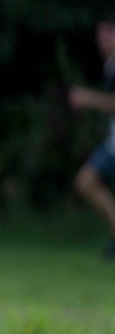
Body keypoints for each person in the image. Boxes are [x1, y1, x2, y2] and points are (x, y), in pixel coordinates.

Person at [67, 18, 115, 257]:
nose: (103, 39)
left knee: (86, 181)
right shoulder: (110, 65)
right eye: (100, 34)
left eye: (109, 33)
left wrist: (86, 98)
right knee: (86, 182)